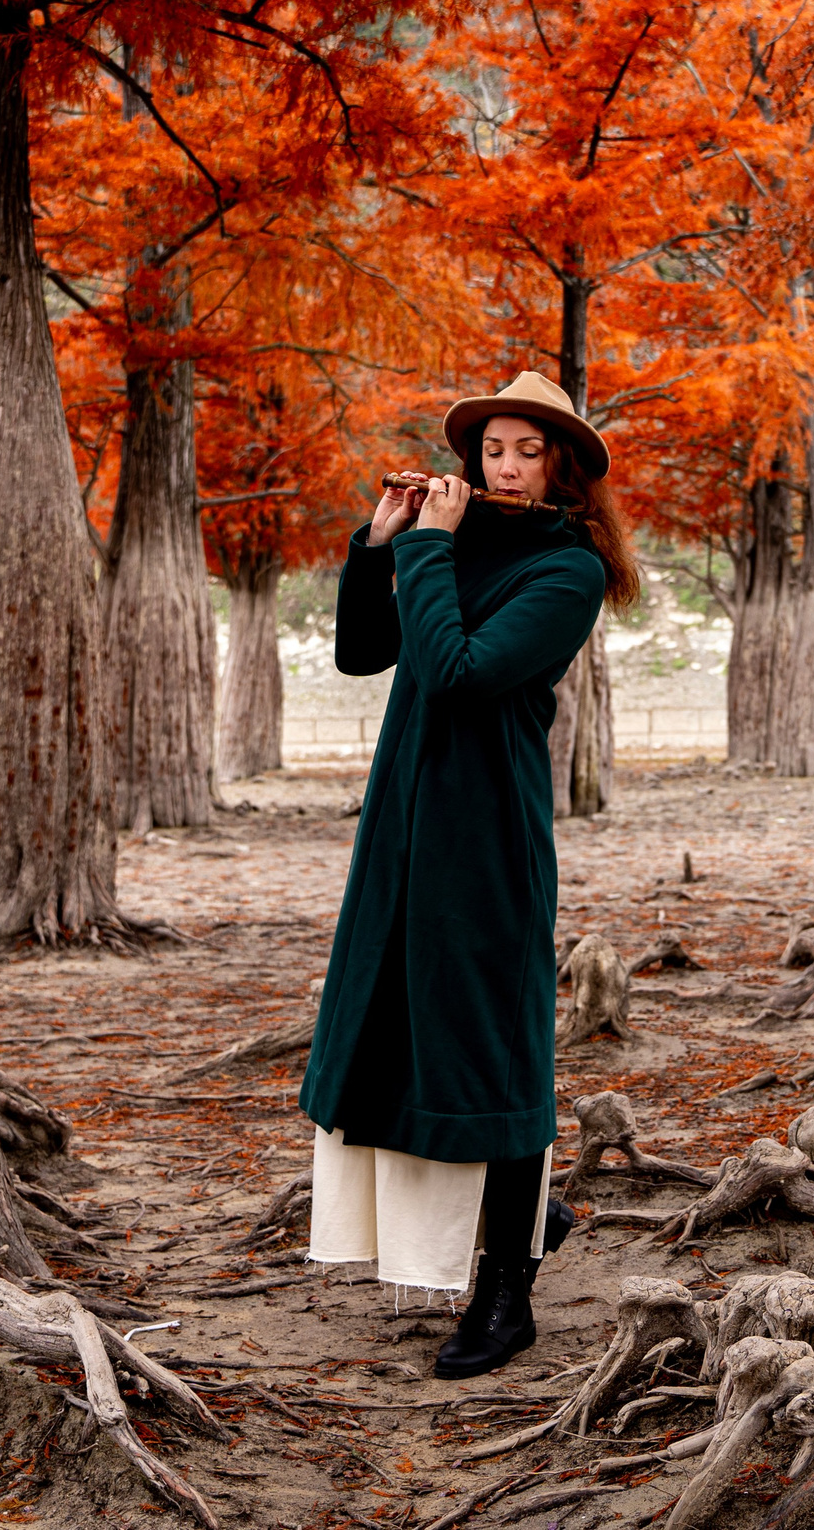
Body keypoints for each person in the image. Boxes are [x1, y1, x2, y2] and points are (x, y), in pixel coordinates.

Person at [298, 370, 644, 1379]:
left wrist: (429, 548)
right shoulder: (448, 542)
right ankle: (532, 1212)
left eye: (527, 452)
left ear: (563, 468)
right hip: (403, 821)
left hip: (486, 832)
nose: (506, 467)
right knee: (399, 1025)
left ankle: (508, 1292)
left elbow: (457, 672)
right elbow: (364, 652)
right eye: (492, 450)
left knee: (494, 1050)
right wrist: (380, 542)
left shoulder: (567, 571)